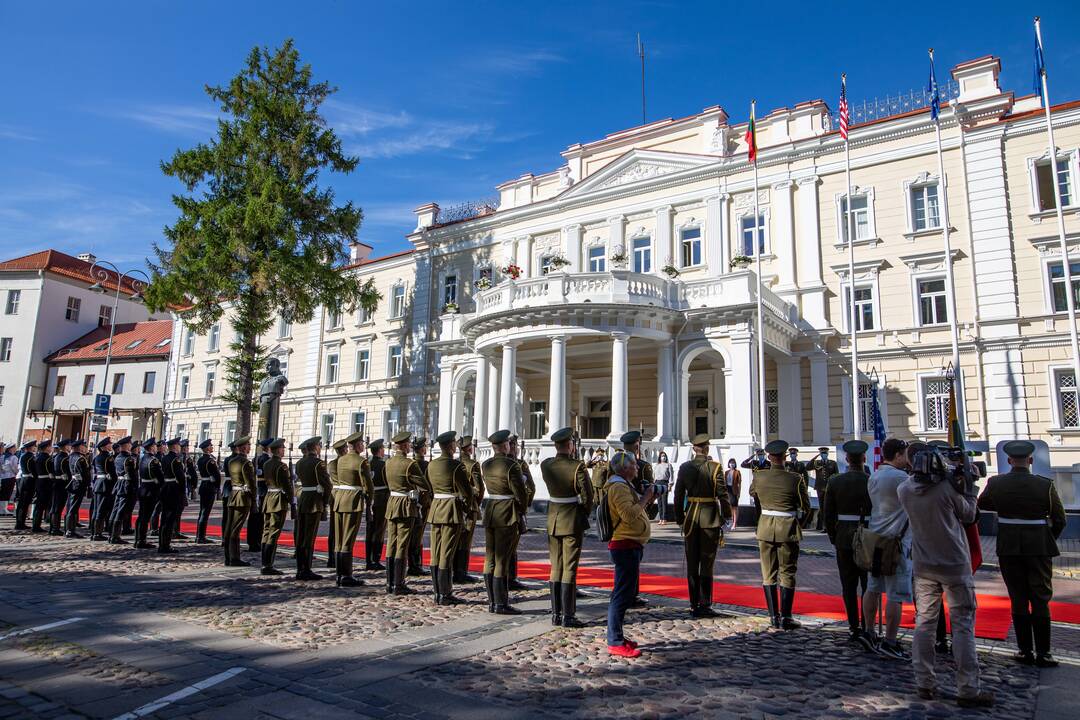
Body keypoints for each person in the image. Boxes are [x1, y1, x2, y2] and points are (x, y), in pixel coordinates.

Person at [898, 444, 993, 708]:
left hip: (923, 563)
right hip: (954, 563)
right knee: (962, 624)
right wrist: (970, 488)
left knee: (924, 623)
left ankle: (924, 683)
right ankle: (968, 688)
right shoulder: (947, 489)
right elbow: (970, 515)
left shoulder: (904, 490)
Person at [978, 440, 1067, 668]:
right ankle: (1044, 653)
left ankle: (1024, 650)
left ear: (1009, 461)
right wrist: (1048, 538)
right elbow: (1060, 519)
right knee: (1040, 597)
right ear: (1030, 461)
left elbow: (983, 503)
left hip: (1009, 546)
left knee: (1017, 597)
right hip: (1038, 545)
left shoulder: (996, 483)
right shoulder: (1044, 485)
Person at [749, 439, 810, 630]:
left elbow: (754, 494)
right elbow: (805, 507)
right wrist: (799, 524)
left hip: (765, 527)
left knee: (768, 574)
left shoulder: (759, 476)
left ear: (769, 457)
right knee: (788, 572)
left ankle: (773, 616)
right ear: (785, 457)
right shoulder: (795, 479)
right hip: (788, 527)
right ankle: (786, 617)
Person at [861, 437, 911, 659]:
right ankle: (890, 640)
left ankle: (869, 631)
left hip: (875, 539)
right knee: (894, 594)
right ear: (898, 455)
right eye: (906, 454)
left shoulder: (875, 475)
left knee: (872, 587)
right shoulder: (901, 478)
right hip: (896, 542)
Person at [540, 427, 595, 627]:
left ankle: (556, 614)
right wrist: (583, 513)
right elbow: (588, 496)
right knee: (569, 568)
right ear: (570, 445)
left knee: (556, 567)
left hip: (553, 518)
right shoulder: (577, 467)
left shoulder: (546, 465)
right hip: (571, 519)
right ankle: (568, 616)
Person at [674, 433, 732, 618]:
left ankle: (693, 604)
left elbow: (677, 495)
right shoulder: (715, 468)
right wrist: (727, 517)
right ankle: (705, 603)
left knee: (692, 562)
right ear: (706, 448)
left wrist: (680, 518)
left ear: (694, 448)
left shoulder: (684, 467)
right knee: (707, 563)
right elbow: (723, 495)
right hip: (710, 518)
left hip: (691, 517)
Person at [605, 450, 656, 659]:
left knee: (623, 593)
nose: (637, 467)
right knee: (621, 594)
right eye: (634, 464)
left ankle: (617, 636)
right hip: (624, 544)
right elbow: (628, 515)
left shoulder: (623, 486)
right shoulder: (618, 487)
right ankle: (615, 640)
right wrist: (645, 498)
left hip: (630, 543)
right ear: (625, 468)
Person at [823, 440, 872, 644]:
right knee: (868, 584)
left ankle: (854, 626)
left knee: (848, 584)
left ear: (846, 459)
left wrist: (833, 536)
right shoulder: (871, 480)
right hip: (868, 536)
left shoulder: (835, 481)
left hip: (843, 536)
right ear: (864, 459)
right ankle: (868, 625)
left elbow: (828, 513)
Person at [482, 429, 527, 614]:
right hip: (507, 513)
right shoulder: (511, 466)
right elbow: (520, 494)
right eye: (508, 443)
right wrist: (521, 510)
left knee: (490, 558)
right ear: (505, 446)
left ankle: (492, 601)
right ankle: (501, 603)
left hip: (491, 510)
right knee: (502, 559)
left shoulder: (486, 464)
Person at [426, 430, 472, 605]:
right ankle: (445, 593)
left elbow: (429, 488)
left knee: (436, 551)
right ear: (451, 446)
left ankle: (437, 591)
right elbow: (466, 492)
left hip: (436, 508)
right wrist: (467, 508)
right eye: (454, 443)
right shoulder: (455, 466)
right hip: (451, 510)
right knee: (446, 552)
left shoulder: (432, 465)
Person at [385, 431, 426, 595]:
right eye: (408, 444)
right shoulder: (410, 464)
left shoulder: (388, 462)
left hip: (392, 503)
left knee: (391, 543)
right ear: (403, 445)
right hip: (405, 505)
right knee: (402, 543)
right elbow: (423, 484)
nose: (410, 446)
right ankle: (398, 583)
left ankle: (389, 582)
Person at [331, 432, 371, 587]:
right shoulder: (361, 462)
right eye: (362, 443)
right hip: (353, 501)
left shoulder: (341, 460)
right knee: (348, 539)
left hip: (340, 500)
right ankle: (346, 575)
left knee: (339, 540)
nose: (363, 445)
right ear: (358, 445)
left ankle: (339, 574)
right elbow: (368, 485)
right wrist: (369, 499)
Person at [294, 436, 331, 581]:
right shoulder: (318, 464)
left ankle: (300, 568)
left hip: (303, 499)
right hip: (314, 502)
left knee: (301, 536)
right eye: (319, 446)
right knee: (309, 538)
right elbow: (327, 485)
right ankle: (306, 569)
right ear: (316, 448)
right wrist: (325, 501)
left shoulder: (299, 463)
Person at [260, 438, 294, 576]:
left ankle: (265, 562)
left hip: (269, 498)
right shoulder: (282, 466)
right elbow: (286, 485)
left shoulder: (267, 464)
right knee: (274, 532)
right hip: (278, 500)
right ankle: (268, 565)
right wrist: (292, 500)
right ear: (278, 450)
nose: (284, 450)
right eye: (283, 449)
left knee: (266, 531)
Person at [452, 436, 484, 584]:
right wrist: (475, 504)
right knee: (465, 541)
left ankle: (454, 570)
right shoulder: (472, 465)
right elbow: (479, 489)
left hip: (453, 505)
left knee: (455, 540)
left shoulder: (453, 464)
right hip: (469, 507)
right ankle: (461, 572)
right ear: (469, 449)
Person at [506, 434, 535, 591]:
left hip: (497, 510)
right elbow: (530, 488)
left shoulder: (495, 464)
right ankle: (510, 578)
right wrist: (524, 507)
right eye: (514, 445)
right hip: (515, 510)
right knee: (511, 547)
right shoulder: (519, 464)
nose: (515, 448)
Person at [223, 436, 257, 567]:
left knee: (229, 527)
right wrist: (254, 500)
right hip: (242, 497)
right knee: (235, 529)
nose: (249, 447)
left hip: (233, 495)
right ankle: (234, 558)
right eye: (248, 445)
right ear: (243, 447)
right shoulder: (246, 463)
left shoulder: (232, 461)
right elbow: (251, 484)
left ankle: (228, 556)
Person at [408, 436, 432, 577]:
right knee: (418, 534)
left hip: (412, 500)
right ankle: (415, 564)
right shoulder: (424, 465)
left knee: (414, 534)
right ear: (422, 449)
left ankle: (414, 563)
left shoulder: (411, 463)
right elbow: (428, 485)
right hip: (422, 502)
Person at [365, 438, 390, 571]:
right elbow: (388, 482)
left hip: (370, 498)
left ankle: (368, 559)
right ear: (380, 450)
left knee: (370, 530)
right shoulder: (383, 465)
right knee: (379, 530)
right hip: (382, 499)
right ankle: (375, 559)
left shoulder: (367, 464)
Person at [158, 437, 185, 554]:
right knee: (170, 518)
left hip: (165, 488)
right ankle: (165, 545)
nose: (180, 447)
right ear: (175, 446)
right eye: (179, 445)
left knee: (164, 518)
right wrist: (182, 492)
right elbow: (181, 478)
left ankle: (162, 543)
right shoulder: (176, 460)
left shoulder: (164, 458)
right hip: (173, 489)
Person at [135, 438, 163, 548]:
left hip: (143, 488)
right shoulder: (153, 460)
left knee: (141, 515)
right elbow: (160, 477)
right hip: (151, 490)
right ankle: (142, 540)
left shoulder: (142, 459)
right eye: (155, 446)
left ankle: (138, 539)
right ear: (151, 447)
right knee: (145, 516)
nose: (157, 448)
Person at [108, 437, 137, 544]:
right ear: (126, 446)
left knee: (115, 510)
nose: (131, 446)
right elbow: (132, 475)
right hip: (126, 486)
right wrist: (135, 487)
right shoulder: (128, 459)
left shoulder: (118, 457)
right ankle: (115, 536)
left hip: (119, 485)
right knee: (120, 511)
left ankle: (111, 534)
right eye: (130, 444)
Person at [326, 437, 348, 569]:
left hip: (334, 495)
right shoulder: (343, 463)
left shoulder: (332, 463)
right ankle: (338, 557)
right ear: (343, 450)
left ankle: (331, 558)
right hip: (343, 494)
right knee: (342, 529)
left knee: (333, 529)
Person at [194, 439, 220, 543]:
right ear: (207, 448)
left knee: (202, 511)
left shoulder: (200, 460)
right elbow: (217, 475)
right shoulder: (210, 460)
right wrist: (217, 486)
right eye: (211, 446)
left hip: (203, 486)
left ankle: (198, 535)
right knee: (205, 512)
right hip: (209, 487)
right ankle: (201, 537)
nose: (212, 447)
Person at [63, 439, 90, 538]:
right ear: (80, 447)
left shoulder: (70, 457)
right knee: (73, 508)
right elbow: (86, 474)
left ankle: (68, 528)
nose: (85, 448)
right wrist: (87, 485)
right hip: (78, 484)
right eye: (83, 446)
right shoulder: (80, 458)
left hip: (72, 483)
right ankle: (70, 530)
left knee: (70, 507)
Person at [809, 446, 839, 532]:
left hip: (829, 488)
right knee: (822, 507)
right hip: (820, 488)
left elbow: (836, 475)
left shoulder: (832, 463)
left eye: (825, 453)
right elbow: (808, 467)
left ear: (828, 453)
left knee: (830, 507)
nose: (824, 454)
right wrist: (815, 457)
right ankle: (825, 526)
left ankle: (831, 526)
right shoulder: (817, 463)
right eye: (822, 453)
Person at [49, 438, 71, 536]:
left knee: (55, 506)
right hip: (62, 483)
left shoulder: (56, 456)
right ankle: (55, 528)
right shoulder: (65, 458)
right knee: (58, 506)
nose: (70, 447)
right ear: (66, 447)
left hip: (56, 482)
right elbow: (68, 471)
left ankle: (52, 527)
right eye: (69, 445)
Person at [14, 440, 38, 530]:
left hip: (23, 479)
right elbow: (34, 469)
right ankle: (20, 523)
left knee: (22, 503)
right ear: (31, 447)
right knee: (25, 502)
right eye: (34, 446)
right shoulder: (31, 457)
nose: (35, 448)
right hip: (29, 480)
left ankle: (19, 522)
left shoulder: (23, 456)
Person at [31, 439, 53, 533]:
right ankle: (37, 526)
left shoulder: (36, 457)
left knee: (38, 505)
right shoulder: (47, 458)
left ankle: (35, 524)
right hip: (46, 482)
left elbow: (32, 471)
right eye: (50, 446)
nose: (51, 448)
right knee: (42, 504)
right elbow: (51, 470)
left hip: (39, 481)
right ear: (47, 448)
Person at [652, 451, 673, 525]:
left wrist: (670, 485)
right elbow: (654, 476)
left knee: (664, 501)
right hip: (657, 483)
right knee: (659, 502)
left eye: (664, 456)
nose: (663, 457)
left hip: (664, 482)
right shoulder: (657, 465)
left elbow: (671, 476)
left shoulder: (668, 465)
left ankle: (664, 518)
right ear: (659, 457)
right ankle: (660, 518)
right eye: (662, 456)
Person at [723, 459, 742, 530]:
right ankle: (730, 522)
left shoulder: (737, 472)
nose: (732, 464)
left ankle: (734, 523)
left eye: (733, 463)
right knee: (729, 506)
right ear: (728, 464)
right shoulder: (726, 472)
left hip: (734, 490)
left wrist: (739, 493)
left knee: (735, 507)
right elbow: (724, 482)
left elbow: (739, 483)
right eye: (730, 463)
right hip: (727, 490)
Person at [0, 442, 16, 516]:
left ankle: (2, 510)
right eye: (14, 448)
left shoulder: (2, 457)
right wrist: (16, 473)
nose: (15, 449)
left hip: (3, 477)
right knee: (8, 494)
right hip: (10, 477)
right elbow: (14, 468)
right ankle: (4, 510)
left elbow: (1, 468)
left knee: (3, 494)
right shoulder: (13, 457)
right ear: (10, 449)